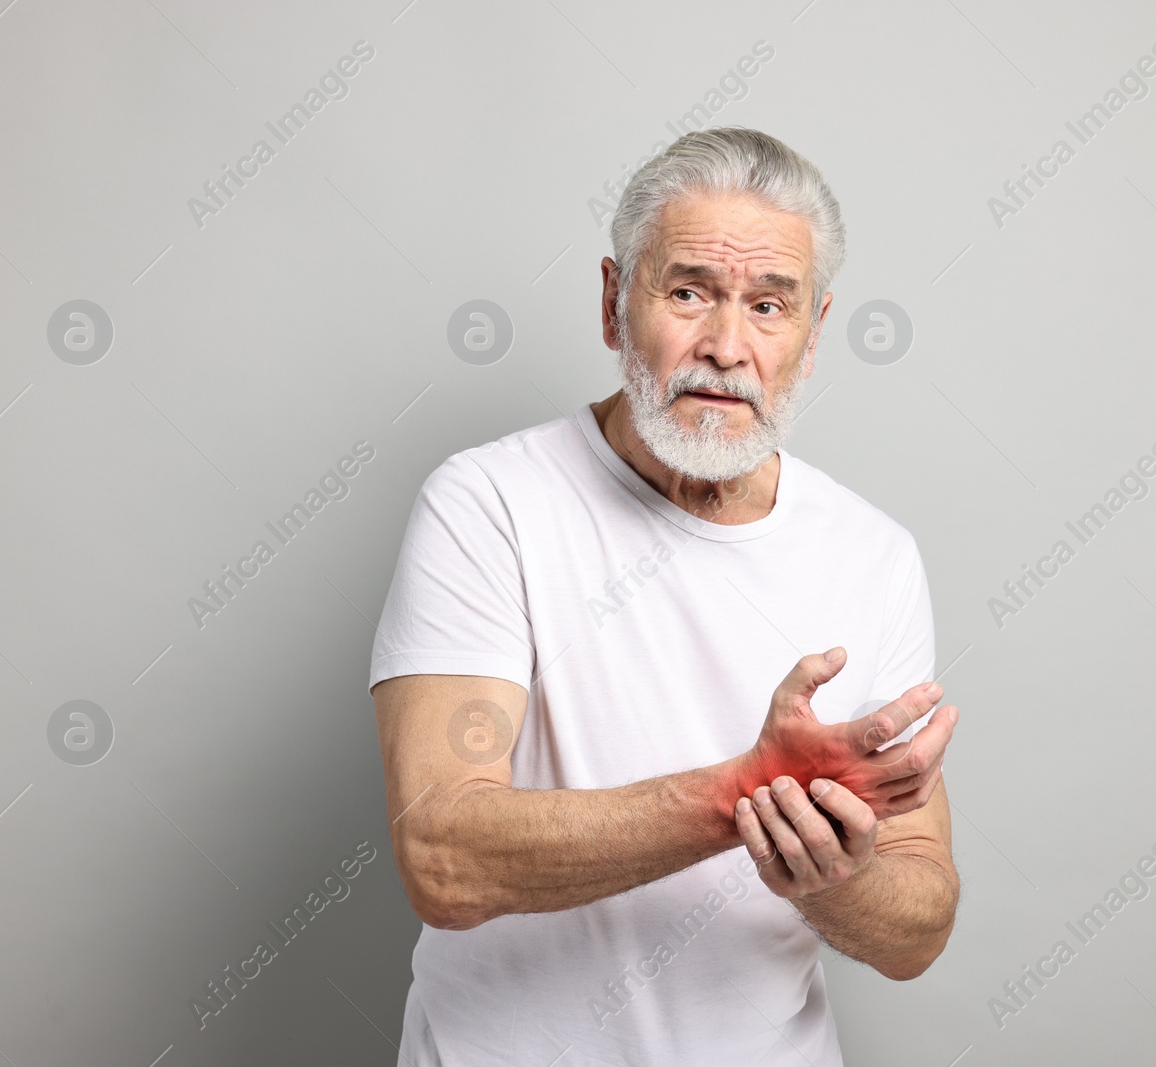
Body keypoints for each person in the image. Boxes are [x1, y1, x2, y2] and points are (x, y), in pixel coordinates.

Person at [369, 126, 960, 1066]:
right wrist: (744, 792)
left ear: (812, 336)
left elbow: (918, 924)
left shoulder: (875, 555)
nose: (727, 347)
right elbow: (445, 854)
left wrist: (833, 876)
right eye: (689, 292)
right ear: (613, 302)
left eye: (770, 306)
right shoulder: (490, 503)